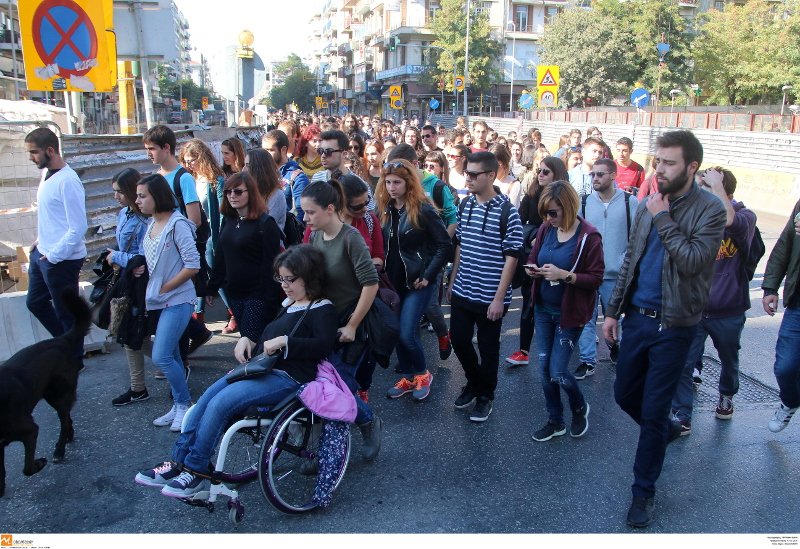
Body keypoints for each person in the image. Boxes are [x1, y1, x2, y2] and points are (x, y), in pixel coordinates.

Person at [135, 245, 338, 497]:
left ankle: (196, 470)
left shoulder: (322, 308)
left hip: (288, 377)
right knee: (205, 400)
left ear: (309, 277)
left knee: (221, 403)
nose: (284, 285)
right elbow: (268, 338)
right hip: (263, 370)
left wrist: (287, 342)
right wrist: (248, 340)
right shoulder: (291, 303)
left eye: (290, 279)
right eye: (281, 278)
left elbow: (324, 345)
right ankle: (178, 462)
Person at [602, 130, 726, 528]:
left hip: (675, 324)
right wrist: (612, 311)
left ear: (692, 167)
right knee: (624, 394)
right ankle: (663, 430)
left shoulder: (709, 210)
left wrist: (662, 217)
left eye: (669, 163)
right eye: (658, 161)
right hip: (637, 319)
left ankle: (643, 492)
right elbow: (630, 260)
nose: (659, 169)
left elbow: (692, 261)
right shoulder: (648, 203)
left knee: (653, 410)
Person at [301, 181, 383, 460]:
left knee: (338, 387)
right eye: (304, 212)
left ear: (330, 209)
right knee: (321, 384)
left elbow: (371, 284)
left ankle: (368, 421)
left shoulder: (351, 238)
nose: (305, 218)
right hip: (324, 323)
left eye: (310, 212)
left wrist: (352, 325)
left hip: (351, 324)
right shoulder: (314, 236)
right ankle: (317, 447)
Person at [671, 167, 756, 433]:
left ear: (723, 191)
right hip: (694, 309)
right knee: (684, 362)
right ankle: (682, 413)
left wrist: (717, 186)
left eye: (705, 187)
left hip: (728, 309)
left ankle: (727, 394)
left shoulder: (745, 216)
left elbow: (730, 220)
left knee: (729, 360)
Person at [447, 151, 523, 423]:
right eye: (466, 173)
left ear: (491, 176)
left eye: (473, 174)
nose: (467, 178)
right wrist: (452, 280)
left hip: (491, 295)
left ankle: (485, 396)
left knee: (489, 349)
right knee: (459, 340)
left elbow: (512, 257)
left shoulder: (507, 212)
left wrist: (499, 298)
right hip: (463, 289)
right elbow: (460, 245)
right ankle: (474, 381)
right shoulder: (465, 205)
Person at [526, 180, 603, 442]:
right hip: (543, 309)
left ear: (568, 207)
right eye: (545, 213)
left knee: (558, 371)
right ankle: (555, 420)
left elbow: (596, 278)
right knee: (544, 370)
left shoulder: (589, 236)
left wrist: (565, 275)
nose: (548, 218)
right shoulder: (546, 228)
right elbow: (533, 256)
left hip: (569, 314)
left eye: (552, 213)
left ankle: (579, 406)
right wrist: (532, 269)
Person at [377, 159, 451, 401]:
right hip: (392, 282)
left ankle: (422, 374)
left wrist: (427, 276)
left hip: (417, 282)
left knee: (407, 333)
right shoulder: (384, 209)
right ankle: (409, 377)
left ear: (408, 183)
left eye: (397, 182)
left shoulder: (422, 209)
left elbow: (444, 245)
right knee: (396, 331)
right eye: (388, 182)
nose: (391, 187)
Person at [135, 174, 201, 431]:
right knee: (171, 355)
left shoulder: (178, 224)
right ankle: (178, 405)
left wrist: (165, 287)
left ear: (157, 196)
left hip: (179, 299)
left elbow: (193, 264)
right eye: (137, 196)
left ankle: (184, 404)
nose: (137, 201)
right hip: (158, 301)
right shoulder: (151, 223)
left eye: (142, 196)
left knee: (161, 356)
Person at [143, 125, 212, 365]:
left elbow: (195, 219)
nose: (148, 154)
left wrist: (173, 237)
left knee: (178, 306)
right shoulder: (157, 178)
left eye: (152, 149)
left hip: (180, 256)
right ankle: (177, 355)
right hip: (160, 256)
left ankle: (180, 365)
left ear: (166, 148)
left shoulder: (183, 178)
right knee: (166, 308)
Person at [207, 171, 284, 361]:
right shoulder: (228, 220)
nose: (232, 195)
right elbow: (221, 256)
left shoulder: (265, 223)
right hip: (234, 293)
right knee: (247, 341)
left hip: (257, 295)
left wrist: (269, 299)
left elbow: (271, 265)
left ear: (251, 193)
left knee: (250, 345)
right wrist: (212, 287)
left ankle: (251, 374)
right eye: (228, 192)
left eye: (238, 191)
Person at [24, 127, 87, 358]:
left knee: (66, 314)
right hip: (42, 253)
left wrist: (54, 256)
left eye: (34, 152)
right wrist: (39, 242)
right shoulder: (46, 174)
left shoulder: (68, 181)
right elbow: (53, 216)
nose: (31, 158)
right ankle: (65, 347)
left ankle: (73, 361)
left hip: (61, 259)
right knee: (35, 302)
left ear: (50, 150)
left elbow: (78, 226)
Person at [575, 158, 638, 379]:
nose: (595, 178)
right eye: (592, 174)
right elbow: (576, 236)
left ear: (613, 176)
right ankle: (587, 360)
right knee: (586, 319)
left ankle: (614, 346)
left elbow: (637, 237)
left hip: (616, 275)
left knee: (615, 320)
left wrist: (625, 262)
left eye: (600, 174)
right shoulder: (583, 202)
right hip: (589, 274)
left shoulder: (630, 202)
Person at [505, 156, 569, 366]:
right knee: (529, 303)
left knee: (557, 304)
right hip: (533, 256)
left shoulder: (567, 198)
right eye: (539, 171)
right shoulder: (532, 195)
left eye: (545, 171)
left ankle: (559, 351)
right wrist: (533, 235)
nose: (540, 175)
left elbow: (573, 226)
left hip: (560, 258)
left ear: (557, 174)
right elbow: (518, 224)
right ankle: (524, 350)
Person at [106, 169, 149, 406]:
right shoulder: (124, 214)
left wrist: (116, 257)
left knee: (136, 331)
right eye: (114, 192)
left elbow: (144, 257)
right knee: (130, 332)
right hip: (126, 280)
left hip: (142, 284)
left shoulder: (146, 219)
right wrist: (119, 258)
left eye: (120, 192)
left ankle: (176, 362)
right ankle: (137, 387)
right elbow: (124, 249)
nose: (116, 197)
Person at [763, 199, 800, 433]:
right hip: (798, 306)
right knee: (785, 368)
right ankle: (790, 401)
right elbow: (785, 244)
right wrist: (770, 287)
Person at [179, 139, 225, 324]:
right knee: (198, 273)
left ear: (202, 157)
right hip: (194, 234)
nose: (189, 164)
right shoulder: (189, 180)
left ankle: (233, 311)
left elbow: (223, 212)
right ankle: (198, 314)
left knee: (214, 274)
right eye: (186, 161)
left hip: (211, 235)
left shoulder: (216, 180)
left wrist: (221, 237)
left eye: (192, 160)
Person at [263, 129, 310, 222]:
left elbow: (301, 213)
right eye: (264, 150)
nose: (266, 154)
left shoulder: (297, 177)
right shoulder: (263, 173)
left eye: (270, 150)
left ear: (283, 150)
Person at [243, 148, 287, 231]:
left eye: (248, 165)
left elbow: (267, 227)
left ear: (259, 169)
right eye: (244, 165)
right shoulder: (247, 192)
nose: (243, 169)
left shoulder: (276, 195)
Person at [490, 143, 521, 208]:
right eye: (489, 163)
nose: (492, 167)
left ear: (504, 164)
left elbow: (512, 209)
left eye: (496, 164)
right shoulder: (485, 180)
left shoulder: (514, 185)